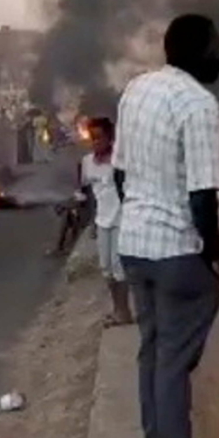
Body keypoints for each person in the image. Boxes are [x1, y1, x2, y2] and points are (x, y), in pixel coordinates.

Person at [114, 14, 219, 438]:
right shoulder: (198, 103)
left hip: (135, 247)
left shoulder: (136, 89)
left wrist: (142, 216)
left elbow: (121, 175)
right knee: (174, 362)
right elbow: (202, 194)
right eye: (217, 47)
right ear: (199, 50)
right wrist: (214, 257)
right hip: (178, 252)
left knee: (154, 352)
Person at [79, 117, 134, 328]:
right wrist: (91, 222)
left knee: (120, 269)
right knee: (106, 270)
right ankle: (117, 309)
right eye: (92, 138)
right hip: (102, 221)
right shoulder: (87, 163)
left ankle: (124, 311)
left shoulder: (119, 162)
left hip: (121, 219)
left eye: (99, 137)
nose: (95, 142)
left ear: (110, 138)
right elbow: (89, 195)